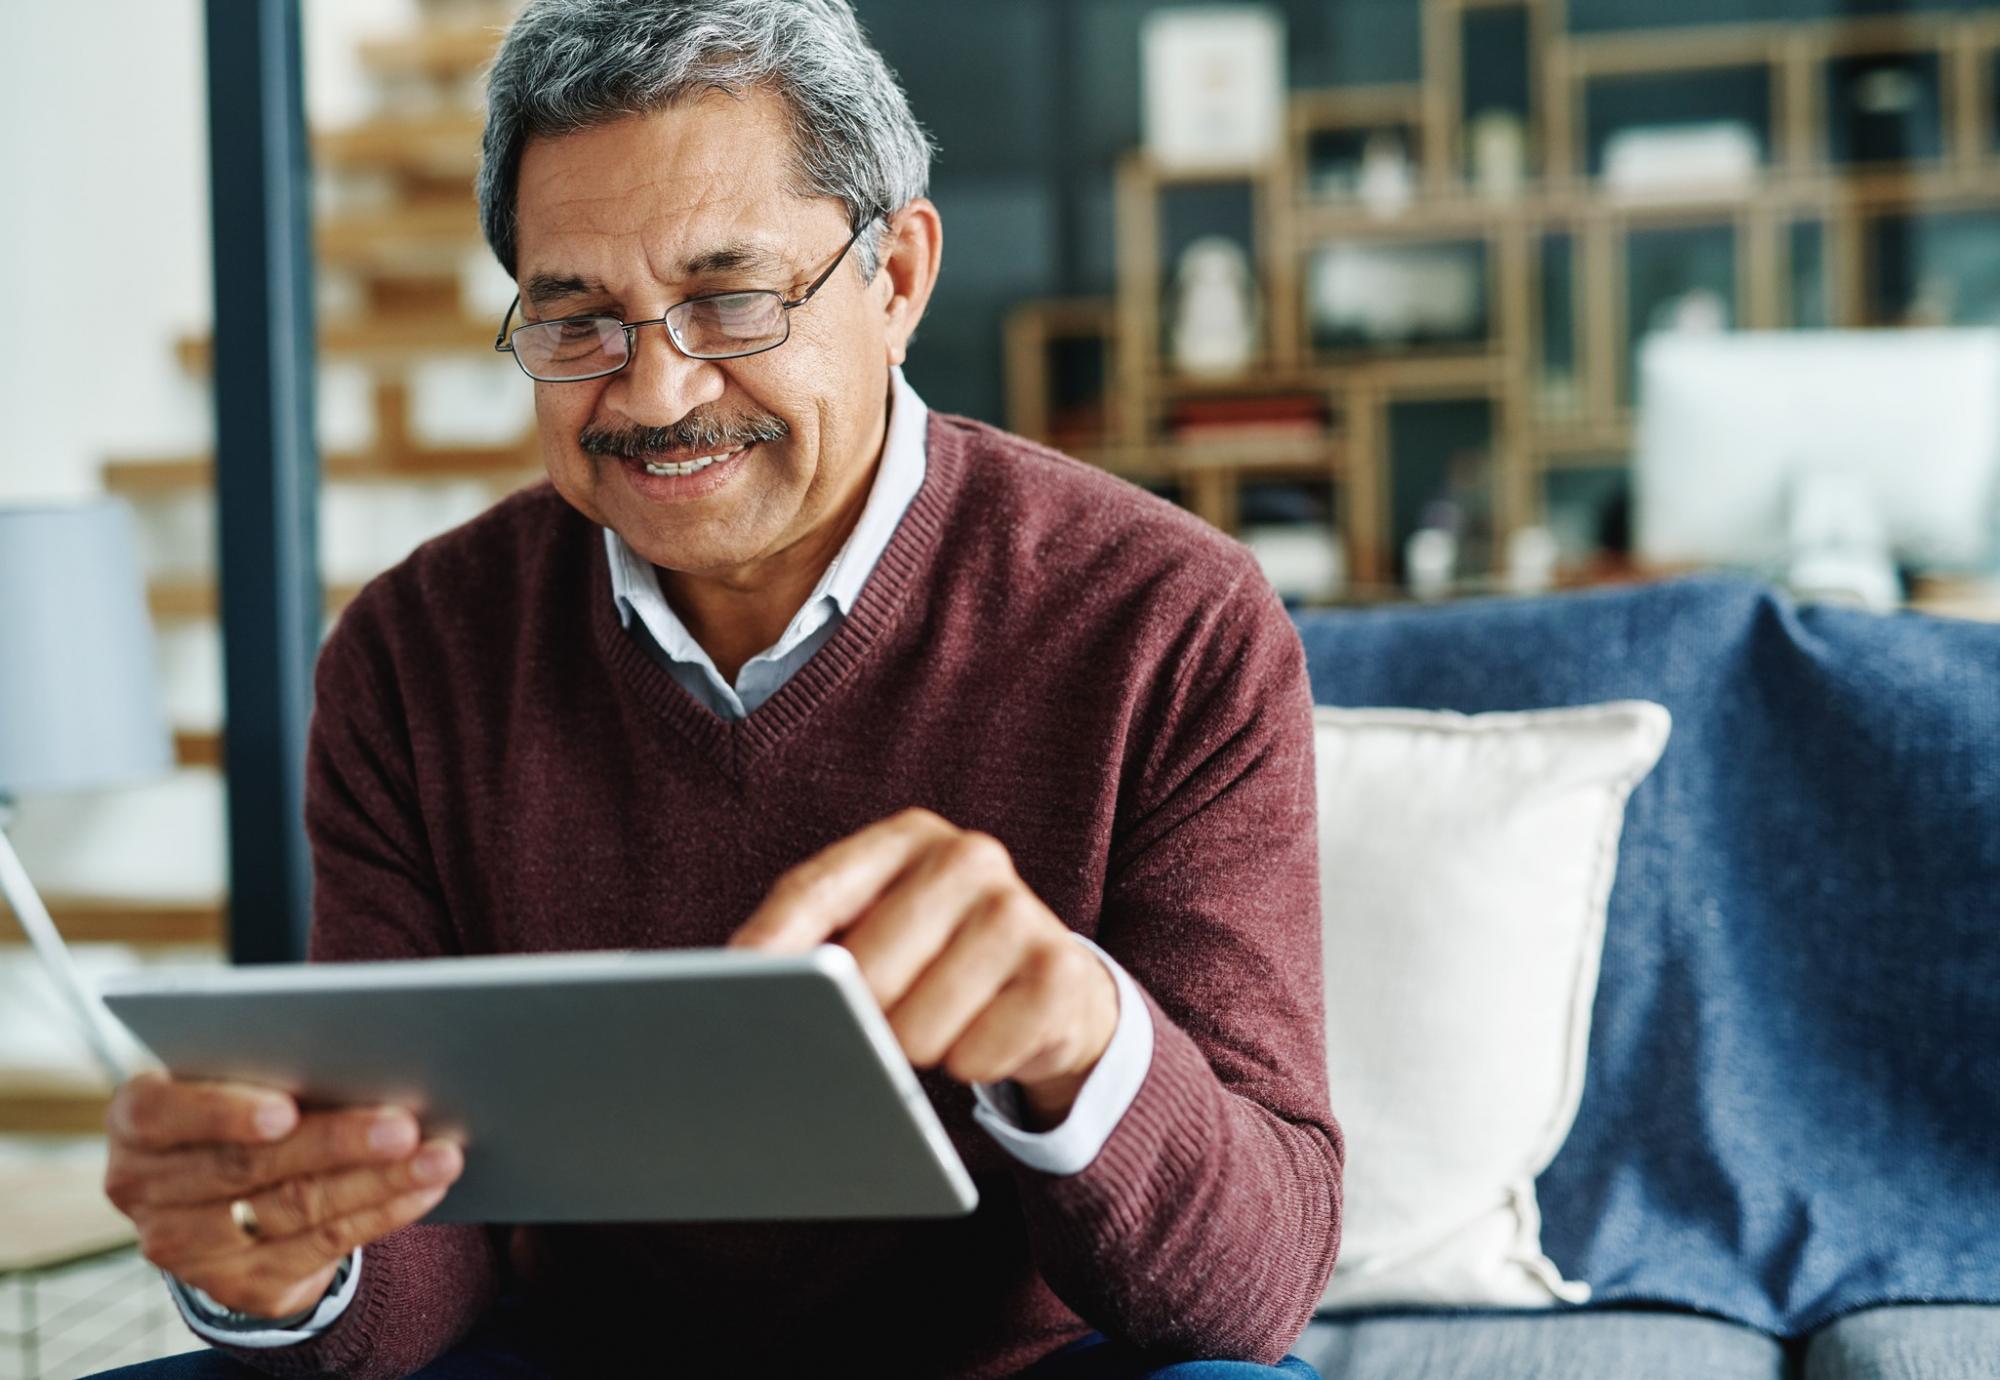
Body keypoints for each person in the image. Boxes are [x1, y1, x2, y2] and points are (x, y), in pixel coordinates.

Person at [95, 2, 1340, 1376]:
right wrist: (290, 1264)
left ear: (898, 278)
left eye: (731, 300)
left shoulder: (1172, 621)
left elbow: (1255, 1287)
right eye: (576, 321)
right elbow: (421, 1232)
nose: (658, 391)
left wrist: (1078, 1031)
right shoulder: (415, 652)